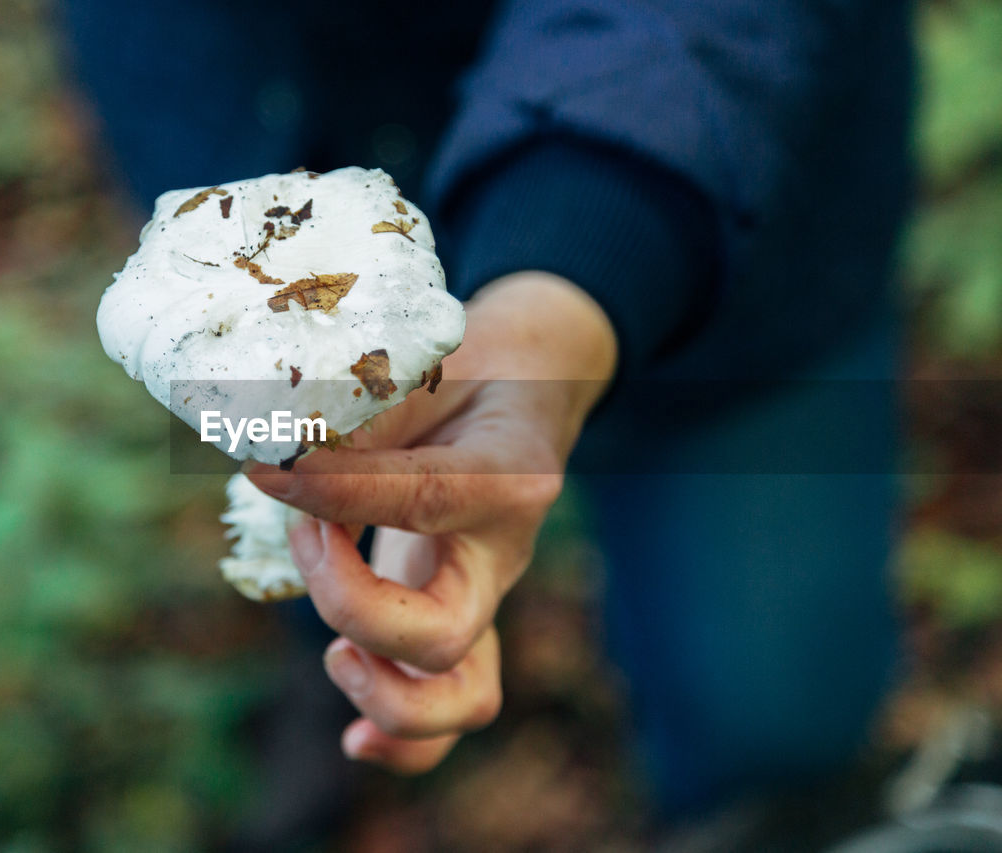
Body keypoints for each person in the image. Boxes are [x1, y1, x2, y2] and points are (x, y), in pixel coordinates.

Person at [61, 0, 913, 830]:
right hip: (267, 175)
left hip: (727, 217)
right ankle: (339, 657)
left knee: (770, 714)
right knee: (327, 508)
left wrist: (572, 260)